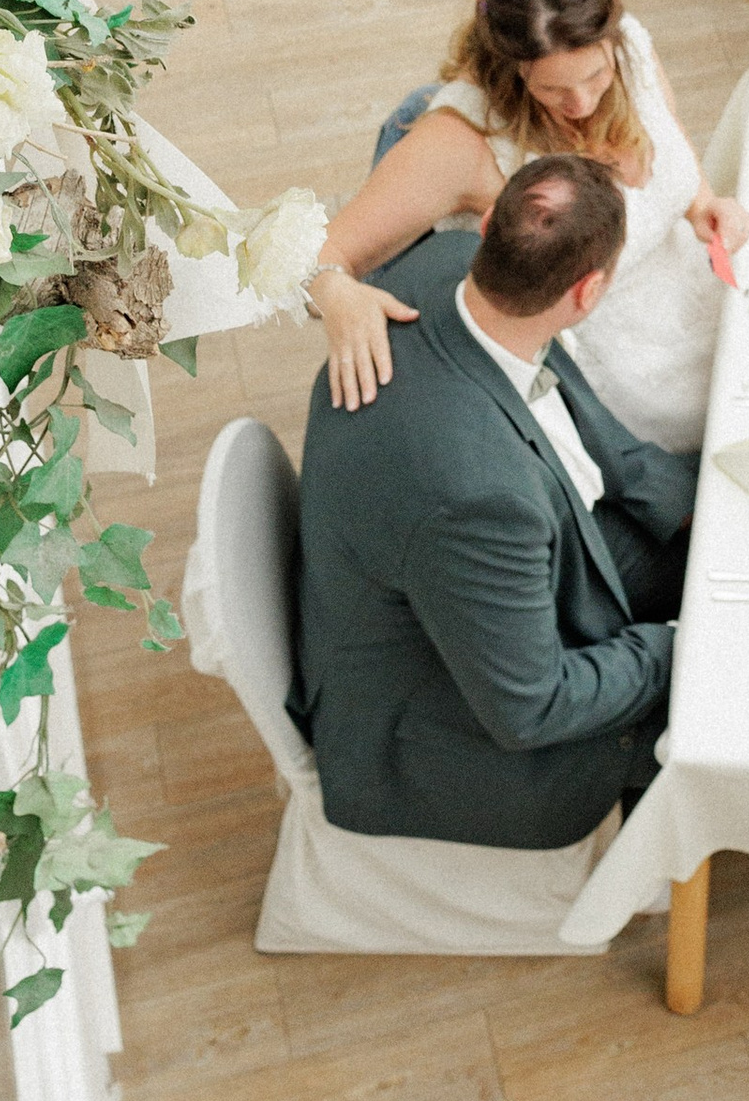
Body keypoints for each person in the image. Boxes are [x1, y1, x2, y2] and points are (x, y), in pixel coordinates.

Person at [292, 156, 688, 852]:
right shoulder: (478, 501)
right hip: (443, 741)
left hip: (493, 563)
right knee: (729, 708)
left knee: (715, 550)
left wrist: (692, 510)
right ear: (589, 290)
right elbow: (531, 708)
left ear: (485, 228)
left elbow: (577, 418)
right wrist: (677, 648)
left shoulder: (447, 265)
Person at [304, 0, 746, 451]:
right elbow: (313, 257)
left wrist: (703, 204)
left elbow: (668, 137)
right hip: (628, 384)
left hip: (710, 298)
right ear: (514, 68)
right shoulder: (462, 141)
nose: (580, 102)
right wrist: (336, 295)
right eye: (554, 90)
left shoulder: (628, 43)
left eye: (596, 76)